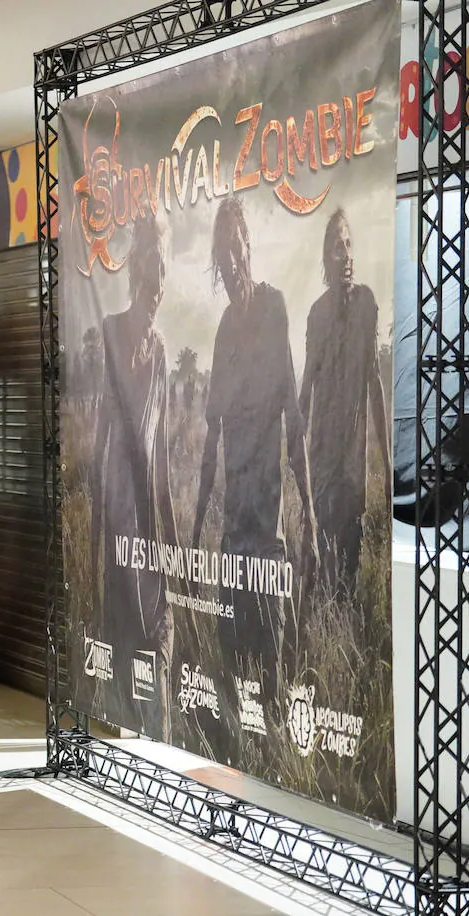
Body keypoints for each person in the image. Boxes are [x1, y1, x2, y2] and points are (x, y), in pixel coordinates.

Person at [193, 196, 317, 734]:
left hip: (267, 527)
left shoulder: (274, 307)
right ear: (218, 262)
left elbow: (293, 415)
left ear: (249, 246)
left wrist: (309, 514)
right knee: (233, 652)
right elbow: (211, 433)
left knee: (273, 650)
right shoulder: (222, 327)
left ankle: (282, 752)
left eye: (236, 246)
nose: (231, 259)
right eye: (222, 252)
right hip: (233, 526)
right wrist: (196, 527)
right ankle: (244, 753)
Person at [89, 213, 178, 742]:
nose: (156, 286)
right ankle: (125, 722)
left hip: (147, 507)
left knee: (158, 620)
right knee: (125, 617)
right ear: (134, 275)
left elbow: (163, 442)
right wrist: (102, 511)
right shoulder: (112, 330)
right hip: (119, 501)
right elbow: (102, 427)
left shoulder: (163, 349)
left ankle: (156, 729)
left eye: (163, 274)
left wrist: (167, 529)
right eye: (148, 272)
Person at [299, 209, 390, 601]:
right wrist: (298, 476)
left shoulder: (367, 304)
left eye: (350, 244)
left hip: (353, 468)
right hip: (322, 466)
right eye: (339, 247)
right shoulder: (317, 315)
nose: (347, 253)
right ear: (326, 257)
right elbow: (305, 395)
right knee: (322, 570)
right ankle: (317, 646)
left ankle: (341, 639)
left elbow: (376, 387)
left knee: (348, 574)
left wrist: (389, 468)